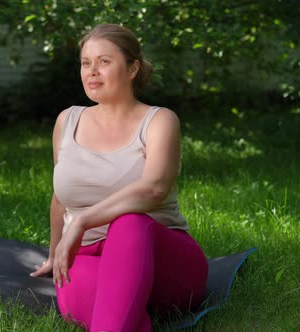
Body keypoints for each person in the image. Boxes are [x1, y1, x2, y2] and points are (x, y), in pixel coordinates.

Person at [30, 23, 208, 332]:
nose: (92, 71)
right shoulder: (67, 120)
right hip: (86, 257)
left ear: (132, 68)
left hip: (164, 262)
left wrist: (84, 222)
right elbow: (61, 197)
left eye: (104, 61)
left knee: (129, 222)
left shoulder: (159, 121)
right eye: (86, 63)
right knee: (112, 318)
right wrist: (54, 252)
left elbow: (153, 189)